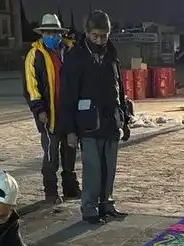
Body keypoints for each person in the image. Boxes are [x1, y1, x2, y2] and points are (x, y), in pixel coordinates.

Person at [57, 10, 131, 225]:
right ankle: (89, 208)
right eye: (95, 36)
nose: (99, 40)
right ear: (87, 33)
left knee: (109, 167)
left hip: (111, 121)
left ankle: (106, 204)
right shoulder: (76, 58)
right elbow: (66, 96)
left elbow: (119, 88)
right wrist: (69, 130)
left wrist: (125, 117)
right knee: (93, 169)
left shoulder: (111, 55)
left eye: (104, 35)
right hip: (88, 124)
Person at [23, 14, 79, 204]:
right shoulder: (35, 55)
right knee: (51, 156)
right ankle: (51, 191)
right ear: (42, 34)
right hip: (50, 115)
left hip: (69, 114)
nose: (51, 36)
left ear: (60, 33)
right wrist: (39, 110)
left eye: (54, 32)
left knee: (70, 152)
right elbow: (32, 86)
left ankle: (71, 188)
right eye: (47, 32)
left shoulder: (70, 51)